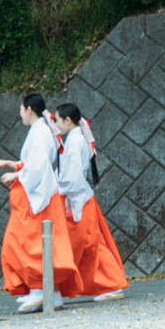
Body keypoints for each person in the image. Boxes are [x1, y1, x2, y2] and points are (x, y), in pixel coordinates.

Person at [0, 92, 80, 312]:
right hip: (42, 195)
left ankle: (38, 289)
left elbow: (38, 166)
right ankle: (51, 293)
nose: (20, 114)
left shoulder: (40, 133)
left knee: (23, 243)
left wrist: (16, 175)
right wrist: (9, 164)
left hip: (38, 198)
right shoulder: (41, 132)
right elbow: (34, 163)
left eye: (20, 109)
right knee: (39, 244)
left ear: (28, 109)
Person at [53, 103, 128, 300]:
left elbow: (73, 175)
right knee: (90, 244)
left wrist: (58, 187)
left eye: (57, 120)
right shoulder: (77, 138)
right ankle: (106, 284)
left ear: (67, 120)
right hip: (79, 199)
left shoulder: (75, 141)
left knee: (91, 244)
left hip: (78, 200)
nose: (57, 124)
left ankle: (111, 284)